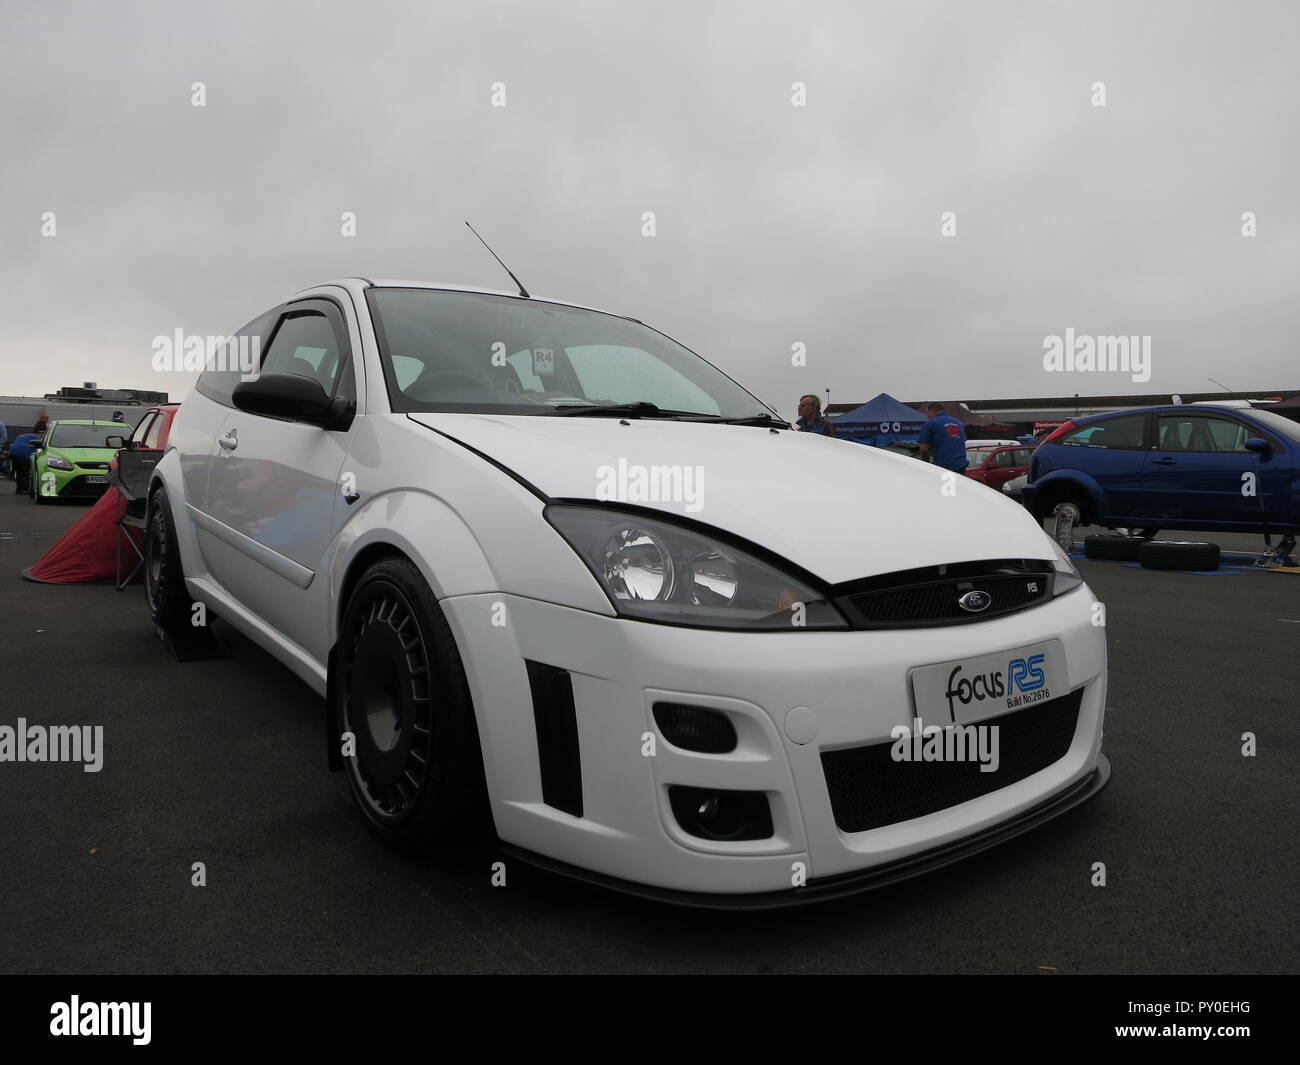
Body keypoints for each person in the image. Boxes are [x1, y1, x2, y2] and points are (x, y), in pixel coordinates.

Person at [917, 402, 968, 472]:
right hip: (961, 466)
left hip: (943, 467)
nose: (927, 416)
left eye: (927, 413)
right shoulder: (959, 424)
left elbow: (923, 449)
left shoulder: (930, 424)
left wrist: (927, 465)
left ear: (931, 411)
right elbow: (957, 442)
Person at [9, 427, 44, 495]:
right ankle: (25, 489)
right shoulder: (37, 438)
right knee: (25, 473)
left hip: (13, 452)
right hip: (23, 453)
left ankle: (19, 490)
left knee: (19, 472)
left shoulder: (22, 435)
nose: (42, 435)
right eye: (41, 434)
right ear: (38, 434)